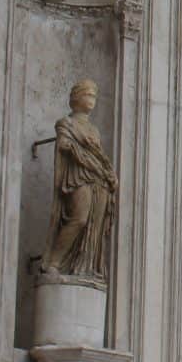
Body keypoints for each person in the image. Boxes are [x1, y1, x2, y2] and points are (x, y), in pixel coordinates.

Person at [42, 79, 116, 281]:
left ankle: (84, 266)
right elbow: (65, 145)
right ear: (77, 97)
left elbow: (98, 155)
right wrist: (79, 151)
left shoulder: (94, 130)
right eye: (88, 95)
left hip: (98, 181)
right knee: (80, 218)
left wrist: (107, 172)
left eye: (94, 96)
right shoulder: (66, 123)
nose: (92, 100)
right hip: (77, 178)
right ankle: (54, 262)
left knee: (94, 227)